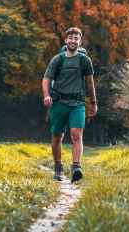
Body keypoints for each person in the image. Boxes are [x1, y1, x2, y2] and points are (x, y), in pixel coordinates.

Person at [42, 27, 97, 182]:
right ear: (66, 41)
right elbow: (46, 79)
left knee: (76, 134)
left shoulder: (84, 60)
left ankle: (76, 167)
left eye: (76, 38)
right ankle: (58, 168)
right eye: (70, 38)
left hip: (78, 103)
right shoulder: (57, 59)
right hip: (58, 102)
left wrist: (93, 103)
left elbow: (90, 83)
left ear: (80, 42)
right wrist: (46, 96)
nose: (73, 40)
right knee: (57, 136)